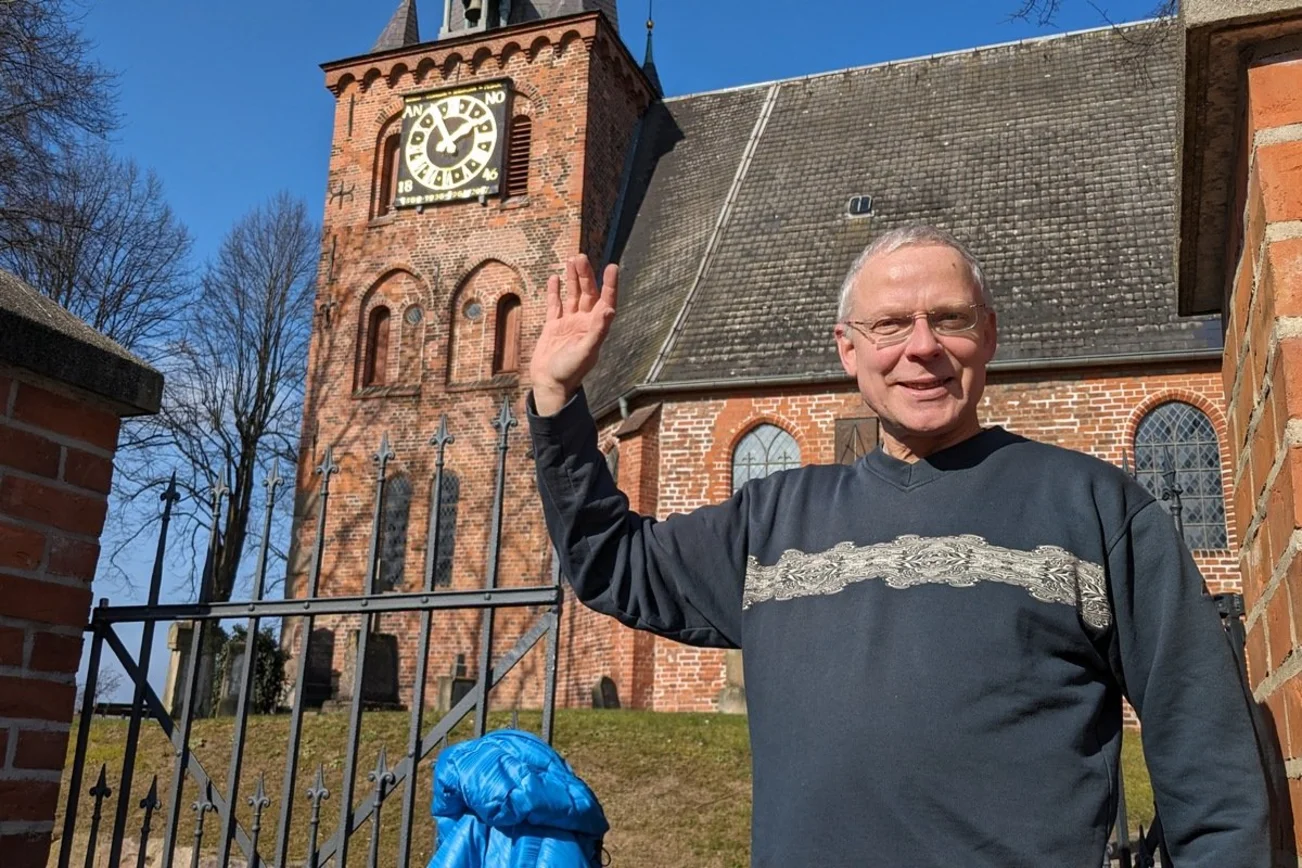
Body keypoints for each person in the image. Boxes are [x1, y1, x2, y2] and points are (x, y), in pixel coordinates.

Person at [524, 226, 1270, 867]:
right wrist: (557, 402)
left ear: (989, 335)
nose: (922, 348)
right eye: (890, 326)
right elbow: (611, 563)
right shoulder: (773, 521)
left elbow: (1207, 757)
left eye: (949, 319)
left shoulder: (1094, 507)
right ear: (848, 350)